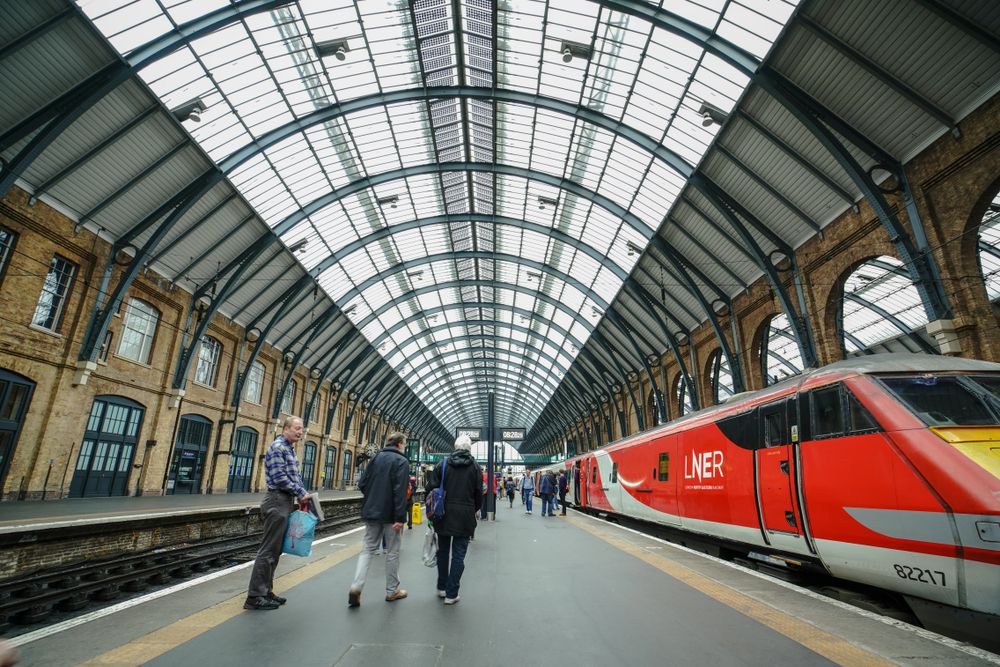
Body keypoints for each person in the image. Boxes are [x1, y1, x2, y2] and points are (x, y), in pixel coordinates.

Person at [245, 416, 310, 611]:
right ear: (286, 428)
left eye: (301, 429)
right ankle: (254, 597)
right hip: (276, 500)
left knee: (275, 550)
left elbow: (295, 477)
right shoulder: (278, 447)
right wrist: (301, 493)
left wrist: (302, 493)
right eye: (297, 428)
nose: (300, 432)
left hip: (285, 501)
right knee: (268, 550)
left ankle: (266, 591)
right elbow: (280, 478)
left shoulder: (289, 449)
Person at [348, 432, 410, 608]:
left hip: (372, 513)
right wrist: (400, 518)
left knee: (367, 550)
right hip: (391, 516)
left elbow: (362, 484)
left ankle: (356, 587)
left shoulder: (375, 459)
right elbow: (400, 492)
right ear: (399, 444)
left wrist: (372, 500)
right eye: (404, 444)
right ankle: (392, 591)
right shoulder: (401, 461)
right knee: (392, 552)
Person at [429, 434, 483, 605]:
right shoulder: (475, 467)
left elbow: (431, 488)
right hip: (465, 516)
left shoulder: (443, 464)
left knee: (443, 552)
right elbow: (478, 494)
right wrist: (472, 510)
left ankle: (442, 587)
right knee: (458, 556)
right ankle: (451, 594)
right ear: (469, 448)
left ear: (455, 447)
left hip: (443, 514)